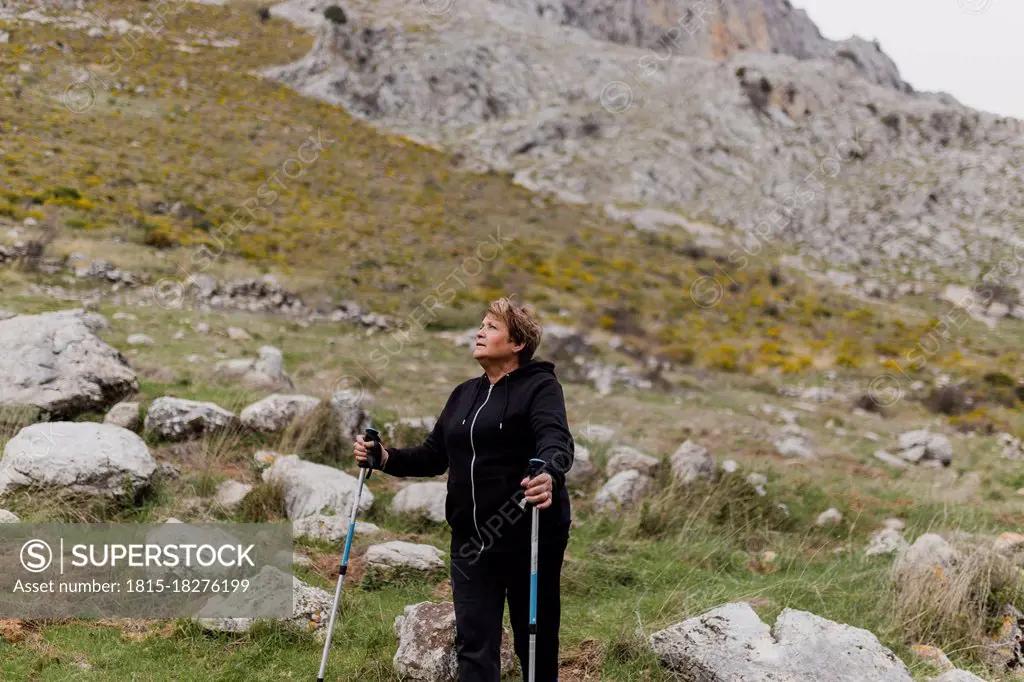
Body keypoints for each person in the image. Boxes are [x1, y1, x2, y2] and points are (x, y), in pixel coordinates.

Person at [354, 296, 574, 681]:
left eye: (491, 327)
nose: (479, 331)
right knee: (474, 644)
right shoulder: (464, 394)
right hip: (470, 542)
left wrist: (549, 475)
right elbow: (433, 456)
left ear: (517, 344)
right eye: (481, 324)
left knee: (535, 645)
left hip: (529, 540)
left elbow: (556, 442)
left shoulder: (540, 387)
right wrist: (385, 457)